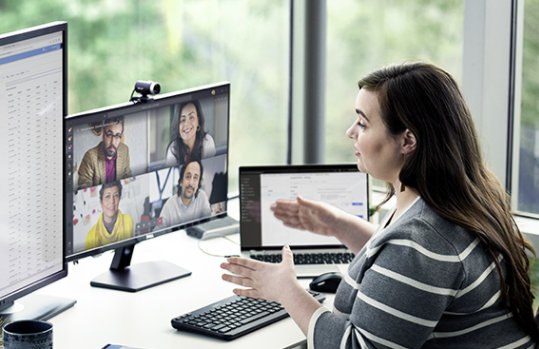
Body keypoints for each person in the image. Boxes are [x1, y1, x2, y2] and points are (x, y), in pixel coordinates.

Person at [220, 62, 539, 348]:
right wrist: (340, 225)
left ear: (407, 141)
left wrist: (285, 290)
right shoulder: (457, 200)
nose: (350, 133)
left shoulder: (421, 240)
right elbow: (410, 269)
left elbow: (358, 346)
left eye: (362, 123)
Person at [78, 117, 132, 188]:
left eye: (117, 136)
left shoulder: (124, 150)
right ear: (103, 136)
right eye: (109, 135)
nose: (113, 142)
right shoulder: (90, 157)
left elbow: (127, 177)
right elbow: (84, 188)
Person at [159, 159, 211, 227]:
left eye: (195, 178)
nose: (191, 183)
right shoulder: (169, 205)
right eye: (188, 177)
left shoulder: (202, 197)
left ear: (198, 184)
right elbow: (158, 228)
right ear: (181, 181)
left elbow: (209, 223)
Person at [85, 181, 133, 250]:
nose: (112, 201)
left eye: (115, 195)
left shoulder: (128, 220)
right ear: (101, 202)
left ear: (119, 199)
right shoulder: (91, 235)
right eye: (107, 196)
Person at [165, 100, 216, 166]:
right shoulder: (172, 150)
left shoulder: (207, 141)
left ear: (198, 120)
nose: (187, 124)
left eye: (191, 117)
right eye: (183, 120)